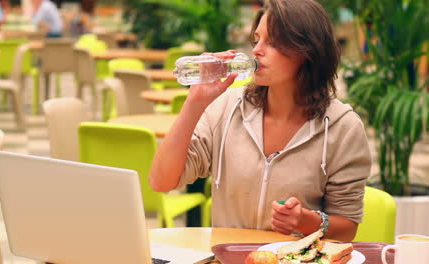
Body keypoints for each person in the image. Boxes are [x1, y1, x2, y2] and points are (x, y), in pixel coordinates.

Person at [149, 0, 371, 242]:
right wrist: (195, 103)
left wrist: (305, 221)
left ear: (308, 51)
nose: (256, 50)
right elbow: (162, 181)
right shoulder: (227, 107)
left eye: (273, 42)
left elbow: (348, 227)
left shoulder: (343, 127)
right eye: (257, 40)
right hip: (226, 258)